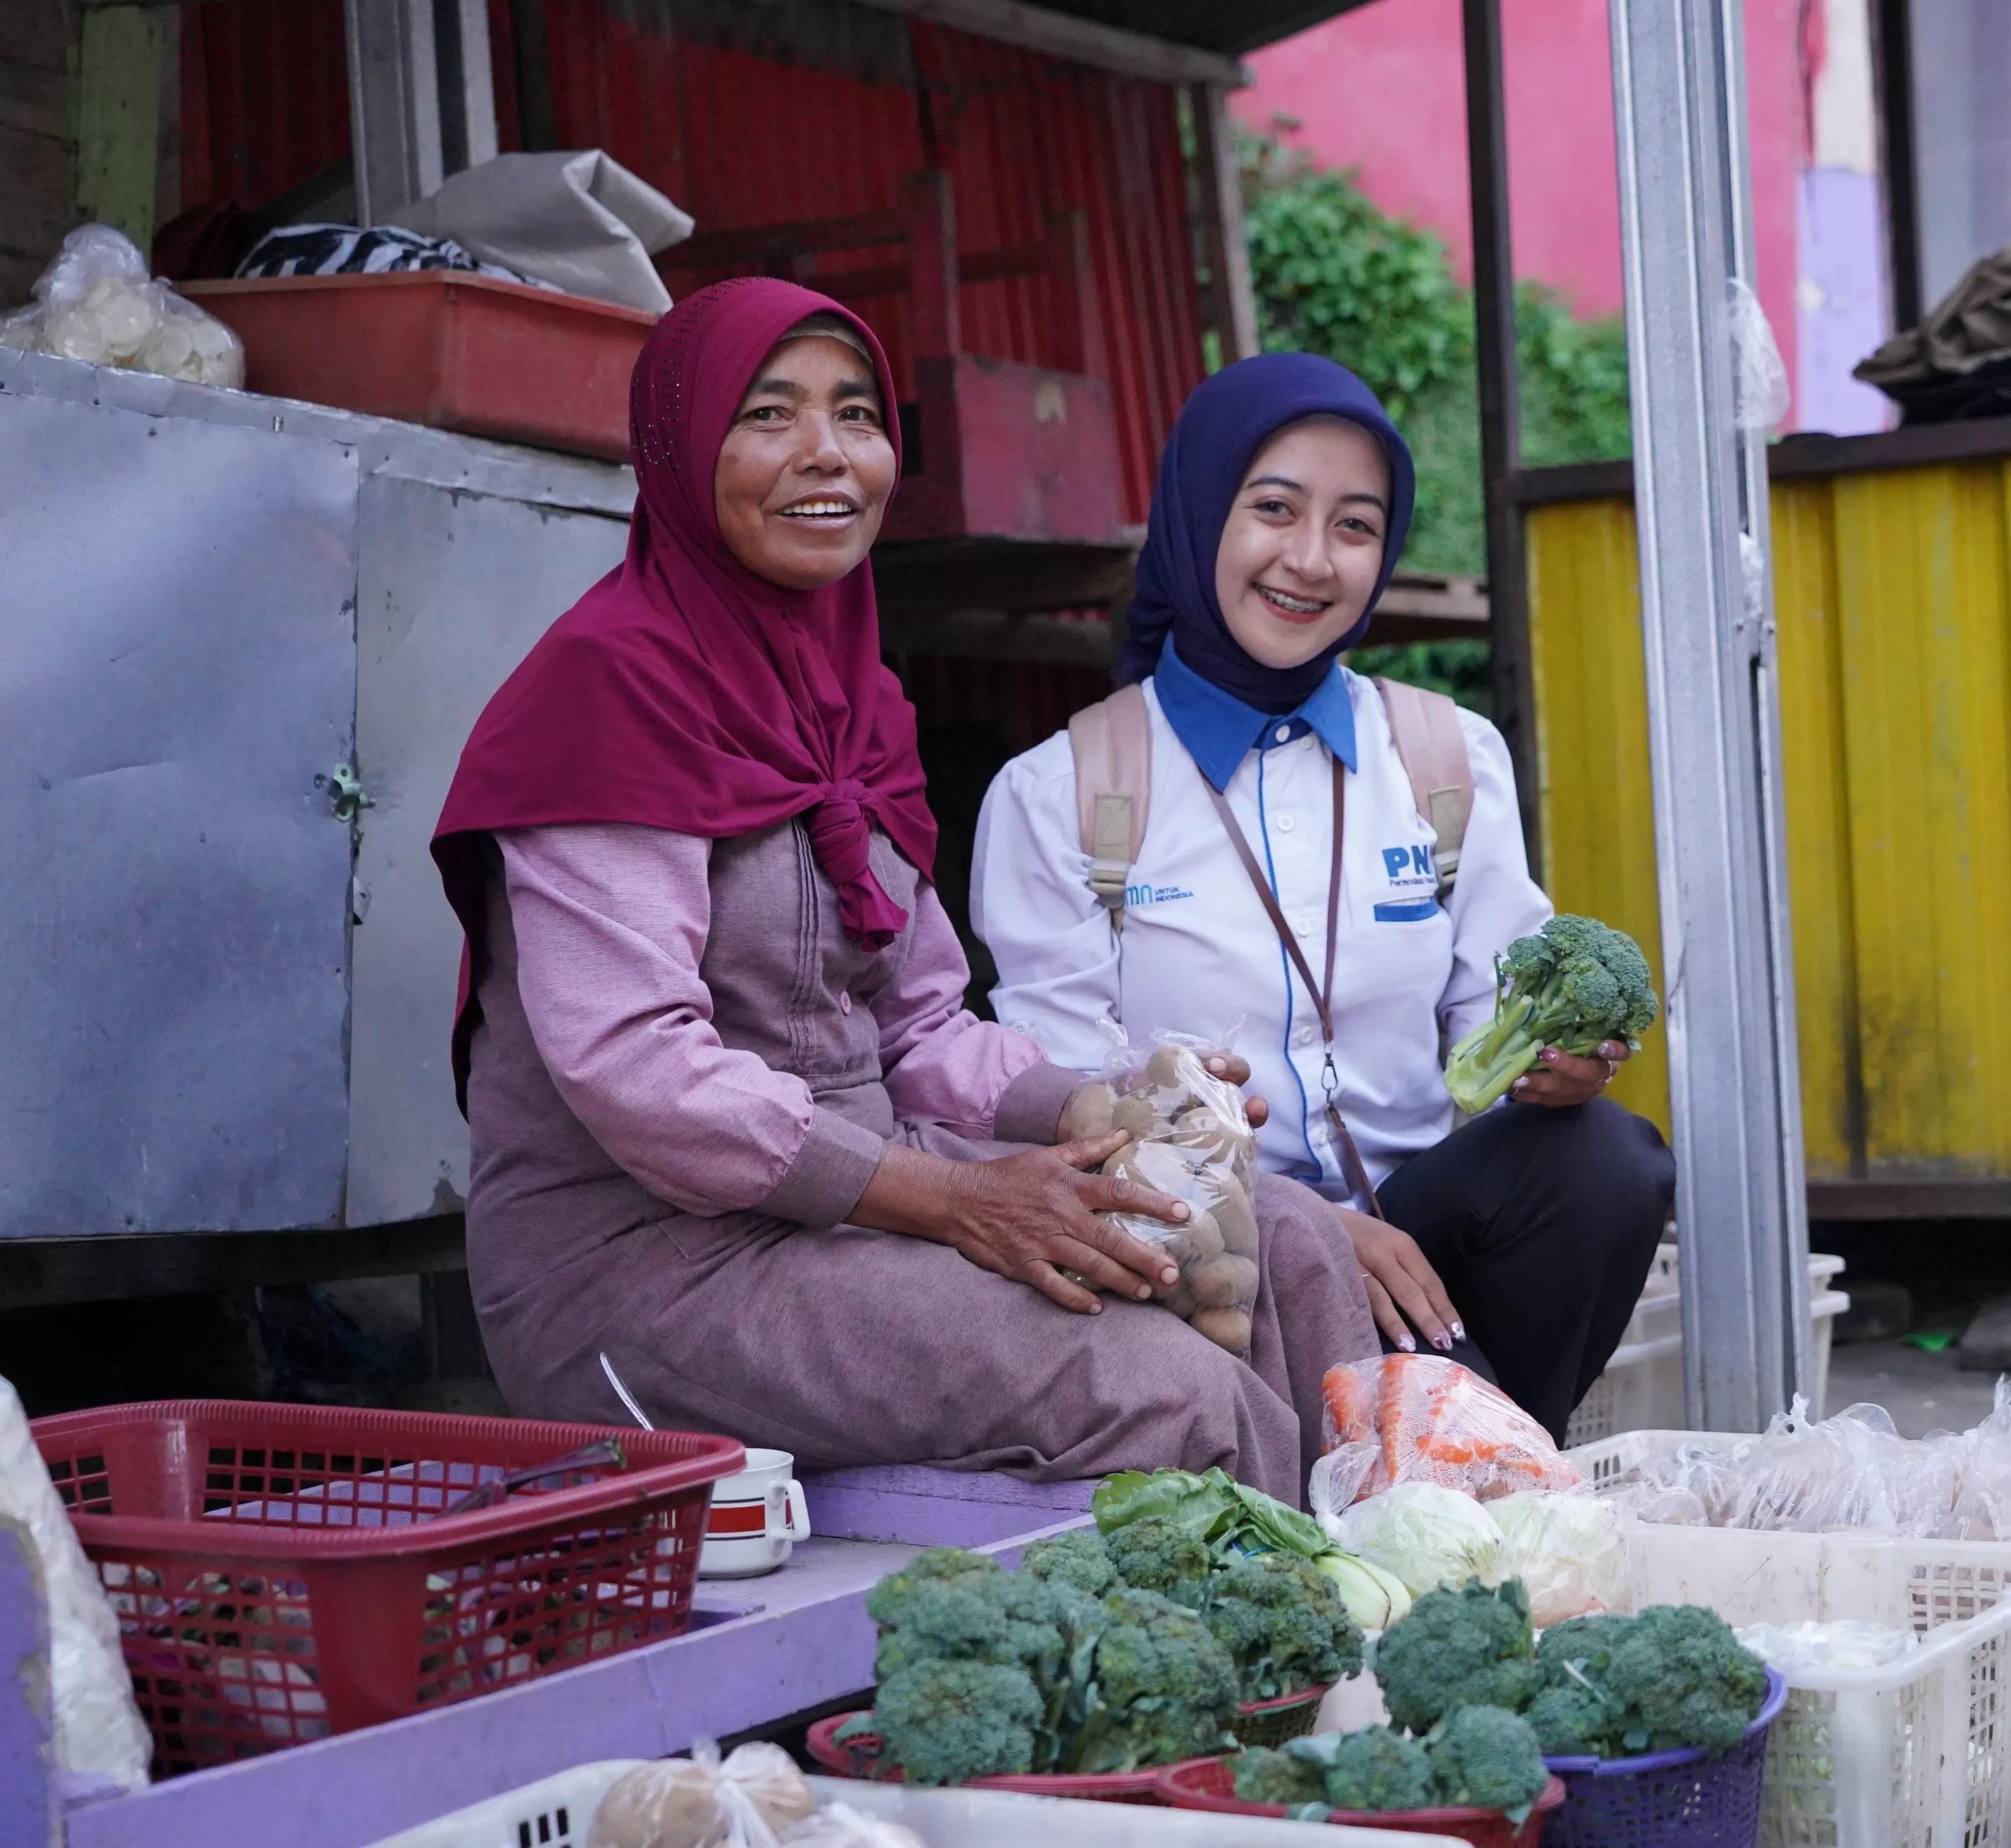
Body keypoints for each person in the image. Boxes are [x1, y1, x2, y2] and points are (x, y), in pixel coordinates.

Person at [430, 280, 1376, 1500]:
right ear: (678, 454)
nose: (828, 454)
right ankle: (1274, 1670)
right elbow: (639, 1074)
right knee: (1159, 1383)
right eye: (769, 416)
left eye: (858, 416)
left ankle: (1387, 1611)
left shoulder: (851, 700)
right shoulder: (609, 689)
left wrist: (1113, 1103)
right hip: (649, 1267)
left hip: (862, 1208)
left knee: (1290, 1240)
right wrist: (955, 1198)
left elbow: (920, 1027)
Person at [972, 353, 1673, 1442]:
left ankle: (1454, 1465)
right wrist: (1306, 1226)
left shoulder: (1443, 754)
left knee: (1608, 1165)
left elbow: (1496, 991)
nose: (1311, 560)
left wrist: (1549, 1054)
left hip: (1429, 1223)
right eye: (1273, 509)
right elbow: (1077, 1109)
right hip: (1204, 1251)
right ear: (1201, 512)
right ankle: (1469, 1473)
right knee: (1447, 1462)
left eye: (1354, 526)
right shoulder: (1059, 794)